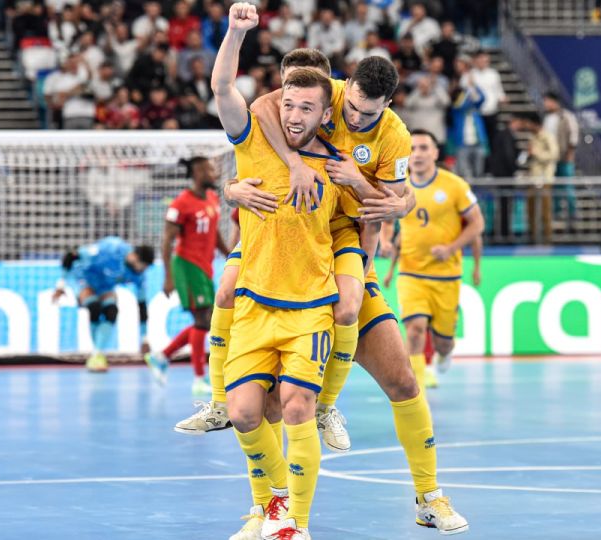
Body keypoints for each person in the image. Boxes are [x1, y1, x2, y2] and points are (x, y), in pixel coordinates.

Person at [197, 41, 468, 539]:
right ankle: (268, 511)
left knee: (403, 380)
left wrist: (372, 196)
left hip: (344, 254)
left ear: (387, 106)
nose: (352, 116)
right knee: (261, 400)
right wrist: (241, 185)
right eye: (348, 109)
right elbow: (256, 107)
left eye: (366, 113)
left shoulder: (394, 137)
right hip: (285, 264)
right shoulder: (321, 96)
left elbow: (399, 200)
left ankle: (428, 495)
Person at [212, 6, 363, 537]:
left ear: (326, 113)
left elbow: (366, 216)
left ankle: (294, 523)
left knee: (297, 407)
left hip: (309, 309)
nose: (295, 115)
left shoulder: (338, 163)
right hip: (255, 302)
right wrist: (236, 31)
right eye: (289, 104)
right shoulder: (252, 137)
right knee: (246, 414)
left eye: (307, 108)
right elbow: (222, 85)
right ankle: (272, 500)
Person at [393, 130, 483, 388]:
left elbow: (477, 224)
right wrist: (387, 242)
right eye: (413, 149)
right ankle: (417, 388)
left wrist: (452, 247)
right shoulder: (399, 185)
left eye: (424, 148)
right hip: (410, 272)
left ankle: (445, 351)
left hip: (446, 275)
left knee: (444, 340)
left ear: (435, 153)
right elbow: (389, 221)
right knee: (414, 329)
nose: (418, 154)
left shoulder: (455, 186)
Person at [152, 156, 231, 394]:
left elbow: (214, 231)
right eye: (209, 169)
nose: (215, 173)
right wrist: (168, 277)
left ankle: (162, 357)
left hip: (205, 267)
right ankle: (199, 379)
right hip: (186, 266)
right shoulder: (180, 204)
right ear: (197, 173)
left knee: (206, 320)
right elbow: (167, 240)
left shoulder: (213, 197)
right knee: (204, 320)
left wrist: (229, 254)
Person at [52, 236, 154, 372]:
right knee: (94, 308)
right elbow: (71, 255)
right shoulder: (111, 248)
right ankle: (97, 355)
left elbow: (142, 306)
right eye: (143, 266)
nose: (143, 270)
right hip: (84, 277)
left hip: (105, 286)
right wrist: (61, 285)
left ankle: (96, 355)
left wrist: (144, 338)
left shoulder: (139, 275)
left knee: (111, 311)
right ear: (134, 256)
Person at [543, 91, 579, 227]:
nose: (545, 104)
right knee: (555, 187)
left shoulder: (567, 116)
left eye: (547, 101)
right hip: (552, 160)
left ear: (554, 101)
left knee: (568, 186)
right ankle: (557, 212)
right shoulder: (546, 118)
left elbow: (573, 136)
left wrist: (570, 153)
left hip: (565, 158)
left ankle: (572, 213)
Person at [523, 111, 559, 244]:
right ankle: (533, 238)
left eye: (529, 123)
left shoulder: (548, 137)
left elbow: (554, 155)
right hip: (533, 178)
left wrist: (536, 153)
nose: (527, 126)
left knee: (545, 210)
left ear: (534, 124)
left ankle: (547, 239)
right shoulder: (532, 138)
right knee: (530, 209)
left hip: (546, 179)